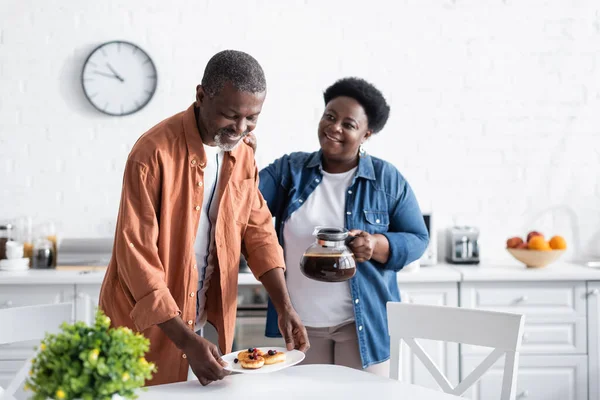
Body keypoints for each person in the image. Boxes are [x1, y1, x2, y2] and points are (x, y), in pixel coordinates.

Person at [99, 50, 309, 387]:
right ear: (201, 96)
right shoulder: (152, 154)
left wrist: (284, 305)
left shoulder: (242, 153)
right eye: (230, 115)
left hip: (201, 326)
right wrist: (184, 340)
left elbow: (259, 231)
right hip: (142, 329)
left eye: (252, 118)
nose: (241, 128)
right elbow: (136, 258)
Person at [252, 77, 429, 376]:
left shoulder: (387, 179)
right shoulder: (290, 170)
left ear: (366, 134)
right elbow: (246, 199)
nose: (334, 127)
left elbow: (418, 239)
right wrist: (242, 154)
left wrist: (375, 244)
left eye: (349, 124)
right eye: (330, 117)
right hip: (301, 324)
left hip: (362, 327)